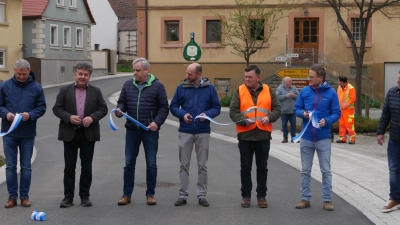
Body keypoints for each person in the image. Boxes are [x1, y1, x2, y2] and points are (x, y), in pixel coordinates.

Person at [115, 58, 169, 206]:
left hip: (149, 132)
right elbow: (122, 102)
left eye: (137, 70)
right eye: (134, 70)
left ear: (146, 70)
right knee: (129, 163)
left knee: (151, 164)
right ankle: (126, 195)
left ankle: (150, 194)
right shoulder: (128, 85)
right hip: (132, 131)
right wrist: (120, 110)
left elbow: (164, 107)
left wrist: (156, 123)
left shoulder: (157, 86)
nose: (134, 73)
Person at [53, 63, 108, 208]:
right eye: (80, 74)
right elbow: (57, 108)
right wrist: (69, 117)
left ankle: (85, 196)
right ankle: (68, 197)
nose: (83, 77)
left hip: (88, 134)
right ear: (75, 75)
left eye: (86, 74)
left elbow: (103, 109)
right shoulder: (64, 90)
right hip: (70, 133)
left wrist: (92, 117)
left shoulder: (96, 91)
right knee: (69, 167)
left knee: (87, 167)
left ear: (89, 76)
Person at [229, 65, 281, 208]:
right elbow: (233, 111)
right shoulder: (239, 91)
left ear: (258, 77)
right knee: (245, 167)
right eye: (245, 77)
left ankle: (261, 196)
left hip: (263, 135)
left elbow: (277, 109)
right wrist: (244, 121)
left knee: (262, 168)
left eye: (250, 77)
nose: (247, 79)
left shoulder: (269, 90)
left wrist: (269, 118)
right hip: (245, 136)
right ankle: (246, 196)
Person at [170, 63, 221, 207]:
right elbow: (173, 106)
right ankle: (182, 195)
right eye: (186, 73)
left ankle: (202, 195)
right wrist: (183, 114)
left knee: (202, 166)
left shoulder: (210, 88)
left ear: (199, 74)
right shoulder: (182, 88)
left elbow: (216, 107)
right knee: (184, 165)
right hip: (185, 131)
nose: (187, 76)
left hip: (203, 131)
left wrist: (208, 115)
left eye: (190, 74)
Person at [0, 59, 46, 208]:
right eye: (19, 74)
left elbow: (41, 107)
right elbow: (0, 106)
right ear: (14, 70)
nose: (21, 77)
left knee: (26, 166)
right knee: (10, 166)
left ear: (29, 71)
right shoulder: (5, 86)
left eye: (24, 74)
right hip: (9, 132)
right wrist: (6, 114)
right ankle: (12, 197)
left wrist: (31, 115)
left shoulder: (36, 87)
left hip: (27, 133)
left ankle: (24, 197)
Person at [294, 65, 340, 211]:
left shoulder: (331, 93)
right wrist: (303, 114)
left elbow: (337, 113)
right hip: (307, 137)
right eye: (309, 76)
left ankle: (327, 200)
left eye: (311, 77)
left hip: (323, 138)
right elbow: (297, 108)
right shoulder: (305, 91)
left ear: (320, 78)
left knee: (325, 170)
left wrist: (327, 120)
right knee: (305, 170)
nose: (309, 79)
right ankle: (305, 198)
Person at [377, 70, 400, 213]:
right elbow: (385, 113)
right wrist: (380, 132)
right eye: (398, 78)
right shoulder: (392, 93)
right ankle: (395, 198)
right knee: (393, 170)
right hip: (395, 139)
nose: (398, 81)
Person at [276, 77, 299, 143]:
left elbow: (299, 96)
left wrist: (293, 96)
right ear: (285, 82)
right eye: (289, 81)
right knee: (284, 125)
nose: (291, 82)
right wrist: (286, 96)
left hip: (292, 111)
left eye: (291, 81)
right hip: (284, 111)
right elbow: (277, 97)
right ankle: (285, 138)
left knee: (293, 124)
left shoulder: (294, 88)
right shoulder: (279, 89)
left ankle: (293, 138)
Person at [336, 76, 356, 144]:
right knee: (342, 124)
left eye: (338, 81)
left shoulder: (351, 88)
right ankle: (342, 138)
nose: (338, 82)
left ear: (342, 82)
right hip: (341, 110)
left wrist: (346, 105)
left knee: (349, 125)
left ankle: (352, 139)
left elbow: (353, 99)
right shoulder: (339, 87)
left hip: (348, 110)